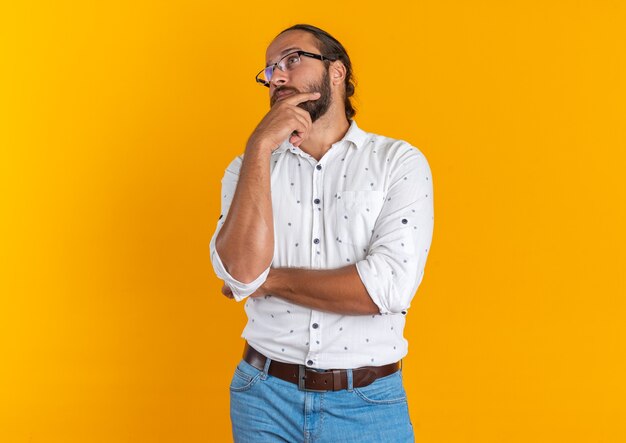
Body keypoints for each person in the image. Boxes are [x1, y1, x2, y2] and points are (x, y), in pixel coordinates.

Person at [209, 23, 434, 443]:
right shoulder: (246, 168)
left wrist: (270, 279)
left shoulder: (397, 162)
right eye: (270, 70)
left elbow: (385, 291)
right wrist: (260, 144)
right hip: (263, 398)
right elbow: (240, 275)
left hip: (367, 404)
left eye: (291, 60)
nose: (276, 76)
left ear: (337, 71)